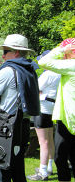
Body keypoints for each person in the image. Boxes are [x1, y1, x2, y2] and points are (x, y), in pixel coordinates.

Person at [0, 34, 40, 182]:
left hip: (5, 127)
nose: (2, 55)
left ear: (16, 52)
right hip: (23, 126)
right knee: (18, 169)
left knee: (2, 170)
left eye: (6, 51)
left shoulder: (8, 70)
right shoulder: (29, 70)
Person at [38, 38, 75, 182]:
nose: (63, 56)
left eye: (66, 52)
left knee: (60, 159)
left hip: (68, 119)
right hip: (68, 118)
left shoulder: (72, 65)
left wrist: (60, 50)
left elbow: (43, 62)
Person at [27, 51, 60, 181]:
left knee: (43, 141)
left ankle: (43, 171)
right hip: (51, 108)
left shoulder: (48, 74)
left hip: (43, 108)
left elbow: (35, 88)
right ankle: (49, 166)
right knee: (49, 139)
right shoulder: (58, 73)